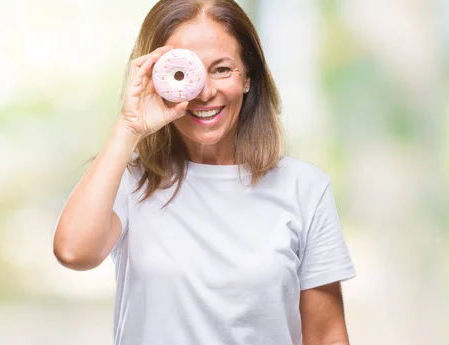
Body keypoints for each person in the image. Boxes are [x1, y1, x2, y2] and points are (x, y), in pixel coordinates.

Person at [52, 0, 356, 344]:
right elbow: (74, 253)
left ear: (248, 78)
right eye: (184, 73)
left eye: (222, 69)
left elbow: (326, 334)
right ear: (155, 78)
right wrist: (128, 128)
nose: (205, 92)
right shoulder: (127, 180)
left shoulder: (305, 188)